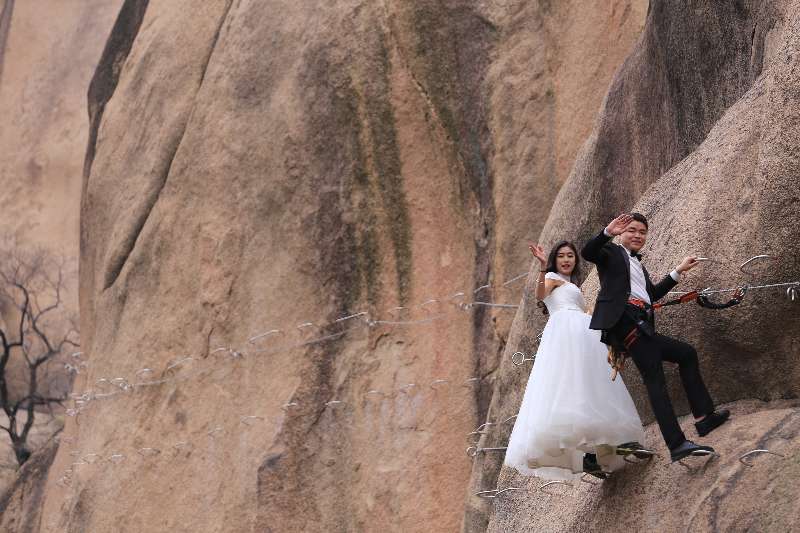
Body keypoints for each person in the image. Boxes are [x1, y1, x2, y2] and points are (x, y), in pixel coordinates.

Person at [581, 213, 730, 462]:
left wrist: (678, 271)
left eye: (642, 232)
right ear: (621, 232)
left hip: (641, 324)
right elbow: (588, 252)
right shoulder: (610, 253)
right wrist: (607, 232)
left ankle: (704, 417)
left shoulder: (638, 265)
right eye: (632, 230)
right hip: (628, 323)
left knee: (686, 354)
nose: (637, 235)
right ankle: (677, 443)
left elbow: (651, 294)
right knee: (655, 382)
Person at [504, 241, 648, 480]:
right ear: (554, 260)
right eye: (561, 256)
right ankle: (595, 453)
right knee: (575, 386)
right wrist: (542, 266)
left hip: (583, 332)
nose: (566, 260)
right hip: (564, 333)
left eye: (570, 256)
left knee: (592, 386)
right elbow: (540, 295)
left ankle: (600, 452)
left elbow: (585, 312)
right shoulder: (551, 277)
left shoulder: (573, 286)